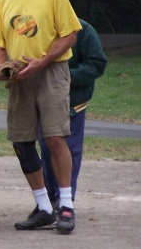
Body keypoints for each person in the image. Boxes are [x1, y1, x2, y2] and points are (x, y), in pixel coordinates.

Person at [0, 0, 82, 234]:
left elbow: (70, 35)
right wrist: (0, 68)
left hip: (50, 71)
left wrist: (42, 61)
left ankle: (65, 205)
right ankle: (43, 208)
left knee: (54, 138)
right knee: (22, 142)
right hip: (19, 75)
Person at [40, 18, 107, 204]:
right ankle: (51, 197)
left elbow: (97, 63)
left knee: (68, 150)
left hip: (72, 102)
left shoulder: (83, 29)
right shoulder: (39, 27)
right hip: (44, 98)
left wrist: (67, 77)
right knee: (46, 149)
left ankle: (64, 199)